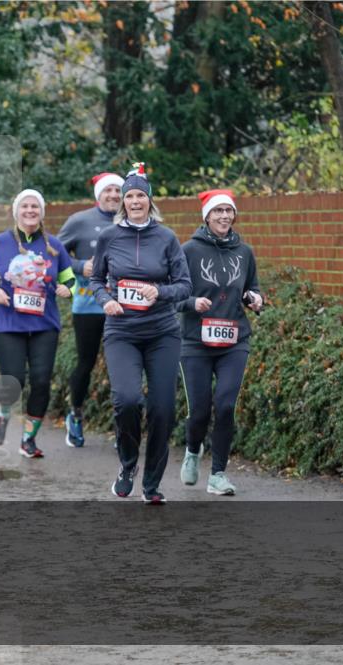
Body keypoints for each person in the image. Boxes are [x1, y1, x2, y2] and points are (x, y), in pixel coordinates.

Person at [90, 163, 192, 505]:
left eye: (140, 196)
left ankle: (152, 483)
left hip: (162, 332)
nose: (135, 201)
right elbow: (95, 280)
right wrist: (105, 300)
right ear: (122, 201)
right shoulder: (109, 236)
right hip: (122, 331)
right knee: (127, 400)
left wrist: (158, 293)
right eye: (129, 196)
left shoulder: (166, 238)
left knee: (163, 409)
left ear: (149, 200)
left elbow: (184, 286)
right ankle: (128, 464)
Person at [0, 189, 74, 459]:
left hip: (45, 324)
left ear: (42, 212)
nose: (30, 211)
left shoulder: (54, 245)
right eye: (25, 206)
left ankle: (28, 439)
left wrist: (68, 289)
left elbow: (68, 277)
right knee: (14, 380)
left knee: (41, 382)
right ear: (16, 211)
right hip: (9, 323)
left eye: (35, 207)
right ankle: (3, 412)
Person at [176, 190, 263, 496]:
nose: (225, 216)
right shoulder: (187, 251)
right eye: (218, 211)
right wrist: (191, 302)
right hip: (195, 342)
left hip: (234, 340)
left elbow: (254, 287)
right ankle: (192, 450)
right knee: (199, 410)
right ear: (207, 216)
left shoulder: (245, 252)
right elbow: (172, 295)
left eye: (229, 211)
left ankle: (218, 474)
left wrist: (256, 299)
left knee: (225, 406)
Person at [58, 171, 124, 447]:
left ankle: (124, 425)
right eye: (108, 191)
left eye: (117, 192)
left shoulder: (130, 221)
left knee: (121, 366)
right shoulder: (80, 221)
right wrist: (77, 266)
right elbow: (52, 255)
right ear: (98, 195)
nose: (113, 196)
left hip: (123, 306)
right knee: (86, 363)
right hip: (88, 304)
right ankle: (75, 414)